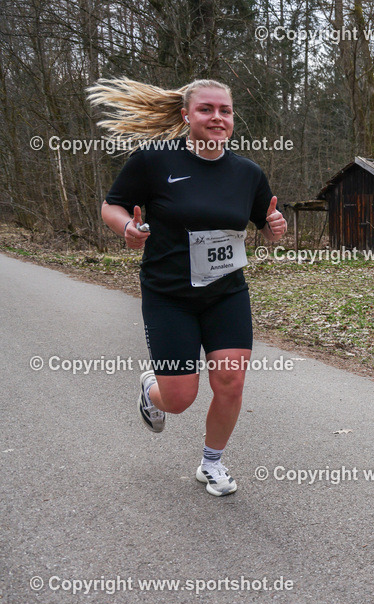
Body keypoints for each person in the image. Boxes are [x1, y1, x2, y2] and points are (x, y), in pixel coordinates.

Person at [89, 78, 287, 496]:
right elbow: (112, 204)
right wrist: (127, 227)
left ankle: (211, 464)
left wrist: (274, 227)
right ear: (186, 116)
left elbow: (265, 222)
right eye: (206, 109)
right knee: (179, 398)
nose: (217, 118)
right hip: (169, 295)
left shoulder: (247, 173)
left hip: (226, 292)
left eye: (225, 111)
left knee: (231, 383)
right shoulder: (154, 161)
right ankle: (151, 387)